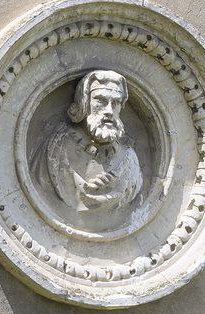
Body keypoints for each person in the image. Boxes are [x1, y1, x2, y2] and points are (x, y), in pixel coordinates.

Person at [40, 69, 144, 215]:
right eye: (100, 100)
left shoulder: (130, 161)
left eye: (116, 102)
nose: (109, 110)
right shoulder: (56, 150)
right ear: (84, 103)